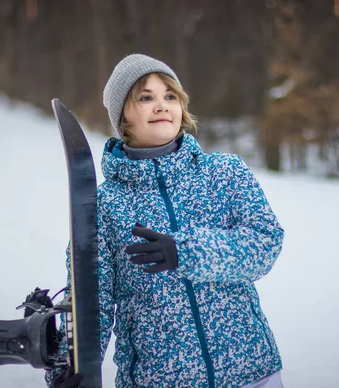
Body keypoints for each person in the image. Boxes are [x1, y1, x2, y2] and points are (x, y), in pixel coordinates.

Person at [46, 54, 286, 388]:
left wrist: (187, 251)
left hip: (251, 373)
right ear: (122, 115)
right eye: (146, 97)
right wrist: (70, 365)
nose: (162, 106)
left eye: (170, 96)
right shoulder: (104, 204)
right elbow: (93, 303)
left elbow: (265, 243)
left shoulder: (224, 172)